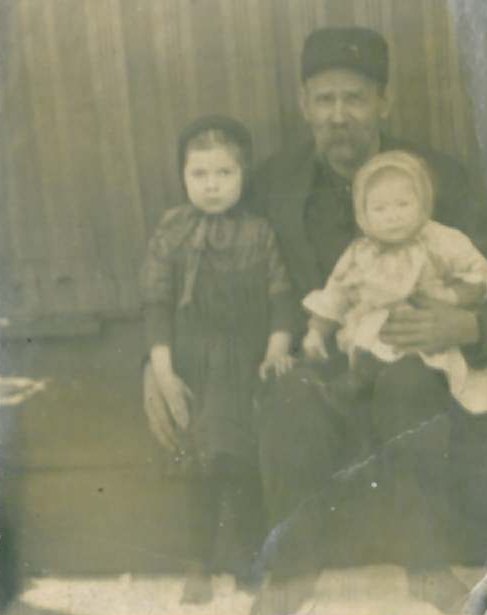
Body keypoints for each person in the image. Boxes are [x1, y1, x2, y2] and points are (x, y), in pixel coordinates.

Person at [251, 27, 487, 615]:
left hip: (415, 365)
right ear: (304, 106)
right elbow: (233, 286)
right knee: (291, 397)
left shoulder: (443, 179)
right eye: (324, 99)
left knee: (410, 389)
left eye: (354, 98)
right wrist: (160, 361)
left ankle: (427, 564)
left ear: (384, 102)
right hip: (328, 365)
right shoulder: (273, 187)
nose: (338, 115)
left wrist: (470, 326)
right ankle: (289, 578)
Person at [140, 115, 294, 604]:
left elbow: (281, 296)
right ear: (183, 177)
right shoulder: (173, 229)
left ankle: (250, 559)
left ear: (243, 174)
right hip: (193, 366)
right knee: (200, 463)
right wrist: (162, 368)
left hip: (245, 363)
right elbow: (157, 303)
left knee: (244, 462)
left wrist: (276, 347)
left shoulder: (259, 231)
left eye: (224, 173)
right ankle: (198, 564)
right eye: (199, 174)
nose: (211, 186)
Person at [302, 149, 487, 414]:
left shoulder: (439, 240)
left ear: (423, 203)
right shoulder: (361, 253)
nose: (393, 216)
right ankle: (360, 382)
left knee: (418, 375)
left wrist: (451, 297)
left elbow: (477, 272)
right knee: (369, 346)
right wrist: (316, 332)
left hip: (427, 328)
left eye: (403, 204)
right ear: (363, 213)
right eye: (380, 208)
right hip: (377, 328)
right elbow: (335, 293)